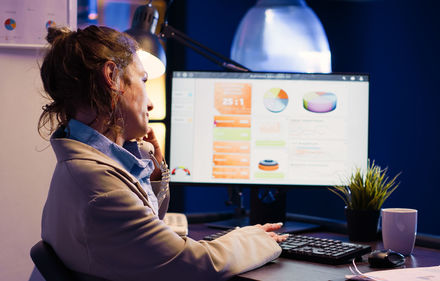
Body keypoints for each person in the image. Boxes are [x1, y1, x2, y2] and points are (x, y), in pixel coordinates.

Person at [38, 25, 287, 281]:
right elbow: (192, 265)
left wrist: (155, 172)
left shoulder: (84, 165)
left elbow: (143, 239)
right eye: (143, 80)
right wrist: (251, 239)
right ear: (112, 77)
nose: (151, 103)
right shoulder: (100, 187)